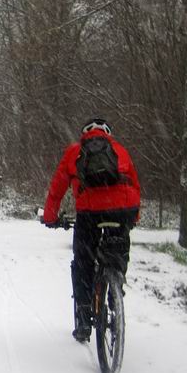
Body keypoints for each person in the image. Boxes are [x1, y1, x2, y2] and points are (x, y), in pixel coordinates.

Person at [42, 118, 141, 342]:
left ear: (85, 134)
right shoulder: (120, 151)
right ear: (107, 134)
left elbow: (57, 188)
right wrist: (133, 216)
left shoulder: (75, 151)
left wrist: (50, 217)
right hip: (122, 210)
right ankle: (116, 285)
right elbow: (134, 184)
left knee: (83, 261)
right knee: (118, 251)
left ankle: (85, 315)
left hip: (90, 212)